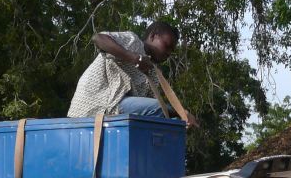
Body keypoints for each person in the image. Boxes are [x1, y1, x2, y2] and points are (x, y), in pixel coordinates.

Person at [67, 21, 196, 126]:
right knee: (160, 108)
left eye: (171, 51)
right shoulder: (133, 41)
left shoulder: (154, 73)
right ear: (153, 36)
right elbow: (98, 38)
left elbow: (149, 107)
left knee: (162, 115)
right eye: (167, 46)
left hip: (115, 110)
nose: (168, 53)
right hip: (98, 103)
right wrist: (133, 58)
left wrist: (180, 116)